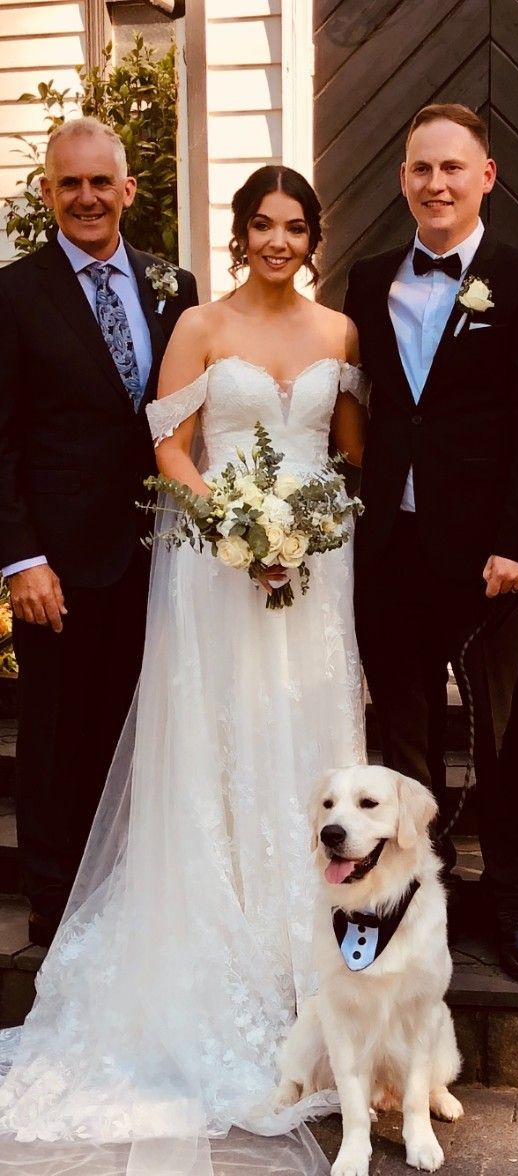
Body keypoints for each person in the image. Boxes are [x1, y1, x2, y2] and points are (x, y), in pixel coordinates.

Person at [0, 164, 367, 1175]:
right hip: (216, 563)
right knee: (221, 739)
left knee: (305, 739)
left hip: (314, 574)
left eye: (295, 226)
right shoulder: (199, 322)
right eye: (263, 225)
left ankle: (309, 946)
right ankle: (221, 936)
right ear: (241, 231)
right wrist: (237, 525)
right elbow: (166, 444)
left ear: (313, 236)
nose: (278, 241)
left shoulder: (340, 334)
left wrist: (307, 528)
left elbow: (345, 451)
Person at [345, 103, 518, 981]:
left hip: (492, 558)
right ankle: (409, 902)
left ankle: (513, 904)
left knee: (503, 737)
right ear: (402, 179)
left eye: (451, 168)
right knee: (400, 738)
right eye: (418, 169)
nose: (434, 184)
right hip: (390, 549)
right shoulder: (367, 279)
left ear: (486, 176)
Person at [0, 117, 198, 948]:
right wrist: (21, 558)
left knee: (145, 731)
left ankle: (129, 893)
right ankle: (56, 903)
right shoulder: (12, 294)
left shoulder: (173, 288)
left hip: (162, 557)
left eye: (99, 182)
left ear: (127, 189)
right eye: (67, 183)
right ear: (48, 193)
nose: (86, 197)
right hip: (61, 561)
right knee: (56, 736)